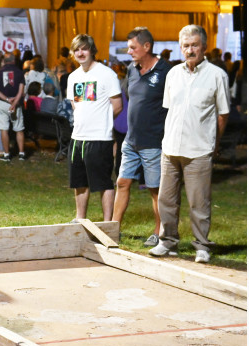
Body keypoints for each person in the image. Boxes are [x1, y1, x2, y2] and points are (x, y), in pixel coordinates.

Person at [149, 25, 230, 263]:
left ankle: (202, 246)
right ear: (180, 47)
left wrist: (214, 143)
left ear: (204, 46)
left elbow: (223, 115)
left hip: (199, 150)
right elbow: (169, 110)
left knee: (199, 202)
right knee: (166, 199)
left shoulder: (217, 75)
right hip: (171, 147)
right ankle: (168, 242)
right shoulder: (173, 74)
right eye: (186, 45)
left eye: (194, 45)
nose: (190, 49)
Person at [112, 27, 171, 247]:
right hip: (131, 139)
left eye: (132, 47)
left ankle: (159, 232)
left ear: (147, 47)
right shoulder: (131, 69)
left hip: (153, 142)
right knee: (122, 182)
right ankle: (113, 229)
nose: (129, 51)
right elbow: (130, 96)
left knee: (155, 190)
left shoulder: (166, 71)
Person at [66, 34, 122, 222]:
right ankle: (80, 219)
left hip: (100, 138)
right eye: (77, 50)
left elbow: (117, 105)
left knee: (103, 183)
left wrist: (101, 120)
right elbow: (76, 105)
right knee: (79, 181)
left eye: (84, 48)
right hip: (77, 138)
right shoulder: (73, 77)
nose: (80, 53)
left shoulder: (107, 74)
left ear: (92, 50)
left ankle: (108, 223)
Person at [0, 52, 26, 162]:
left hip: (3, 103)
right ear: (14, 60)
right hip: (16, 104)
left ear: (4, 61)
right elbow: (21, 91)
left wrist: (7, 99)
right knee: (19, 128)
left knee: (4, 129)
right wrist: (15, 103)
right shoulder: (19, 72)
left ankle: (6, 154)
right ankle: (21, 153)